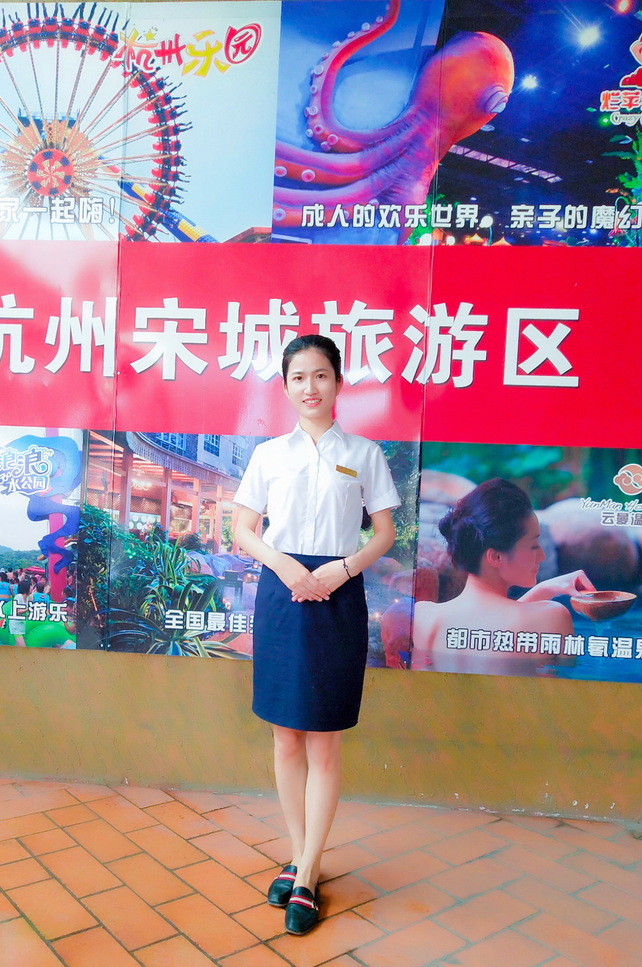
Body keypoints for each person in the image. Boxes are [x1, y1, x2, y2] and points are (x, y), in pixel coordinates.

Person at [234, 334, 400, 935]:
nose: (311, 387)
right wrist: (282, 565)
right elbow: (243, 528)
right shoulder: (268, 455)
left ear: (338, 382)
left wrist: (344, 568)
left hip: (338, 594)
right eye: (299, 377)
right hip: (282, 594)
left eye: (321, 375)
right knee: (285, 737)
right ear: (285, 387)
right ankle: (299, 854)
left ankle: (306, 874)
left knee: (324, 741)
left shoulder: (364, 453)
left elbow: (383, 532)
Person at [412, 478, 595, 672]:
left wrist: (545, 588)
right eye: (533, 546)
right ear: (496, 557)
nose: (542, 556)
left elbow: (491, 627)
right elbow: (566, 685)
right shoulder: (553, 617)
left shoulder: (424, 616)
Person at [9, 578, 30, 646]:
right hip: (15, 625)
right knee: (23, 647)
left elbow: (25, 613)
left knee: (18, 648)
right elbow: (17, 612)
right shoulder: (18, 597)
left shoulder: (26, 599)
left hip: (21, 625)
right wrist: (28, 609)